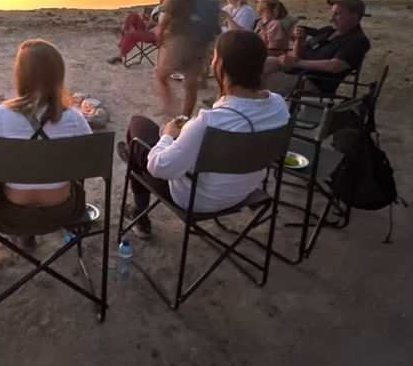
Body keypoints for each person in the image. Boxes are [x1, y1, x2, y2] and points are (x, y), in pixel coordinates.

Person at [122, 30, 290, 237]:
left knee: (138, 128)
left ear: (221, 66)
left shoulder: (209, 122)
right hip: (245, 191)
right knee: (149, 147)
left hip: (197, 199)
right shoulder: (279, 105)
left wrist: (167, 134)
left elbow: (160, 168)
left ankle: (140, 214)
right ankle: (132, 158)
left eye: (215, 56)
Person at [0, 39, 92, 239]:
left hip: (11, 214)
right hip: (62, 212)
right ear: (58, 75)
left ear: (20, 75)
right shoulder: (74, 118)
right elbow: (91, 159)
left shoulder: (0, 116)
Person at [266, 0, 371, 95]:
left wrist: (297, 63)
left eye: (337, 14)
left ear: (354, 16)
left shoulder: (357, 40)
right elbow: (298, 55)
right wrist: (299, 40)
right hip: (298, 72)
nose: (332, 18)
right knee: (259, 64)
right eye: (333, 13)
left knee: (259, 79)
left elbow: (335, 66)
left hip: (312, 82)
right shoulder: (329, 31)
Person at [155, 0, 220, 117]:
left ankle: (172, 108)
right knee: (190, 84)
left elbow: (165, 14)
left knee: (160, 75)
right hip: (202, 43)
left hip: (182, 39)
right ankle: (184, 118)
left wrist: (160, 32)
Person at [107, 0, 168, 65]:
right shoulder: (157, 8)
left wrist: (152, 22)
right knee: (133, 15)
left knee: (131, 34)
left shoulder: (170, 12)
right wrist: (145, 18)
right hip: (148, 31)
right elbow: (150, 24)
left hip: (157, 35)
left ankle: (120, 57)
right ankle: (127, 30)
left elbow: (166, 26)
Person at [227, 0, 291, 57]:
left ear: (264, 4)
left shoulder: (275, 24)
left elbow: (273, 51)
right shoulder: (261, 21)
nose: (256, 4)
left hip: (270, 60)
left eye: (258, 2)